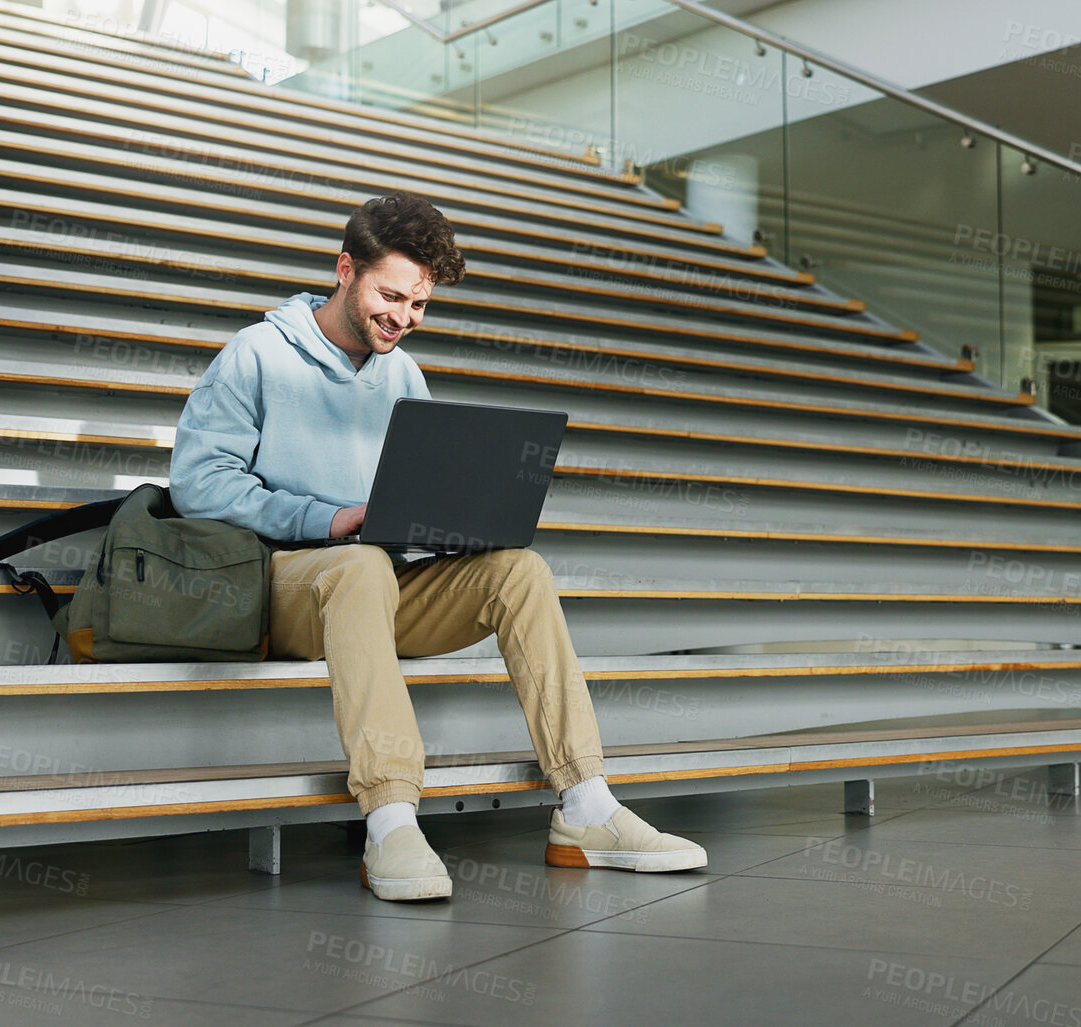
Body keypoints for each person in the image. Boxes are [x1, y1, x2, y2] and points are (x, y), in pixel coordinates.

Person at [169, 191, 706, 901]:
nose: (403, 318)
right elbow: (197, 485)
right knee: (358, 563)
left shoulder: (404, 375)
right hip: (282, 588)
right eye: (390, 295)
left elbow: (410, 494)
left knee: (518, 570)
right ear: (344, 270)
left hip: (381, 584)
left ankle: (587, 805)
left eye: (419, 305)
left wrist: (452, 524)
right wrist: (327, 519)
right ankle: (391, 819)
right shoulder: (258, 353)